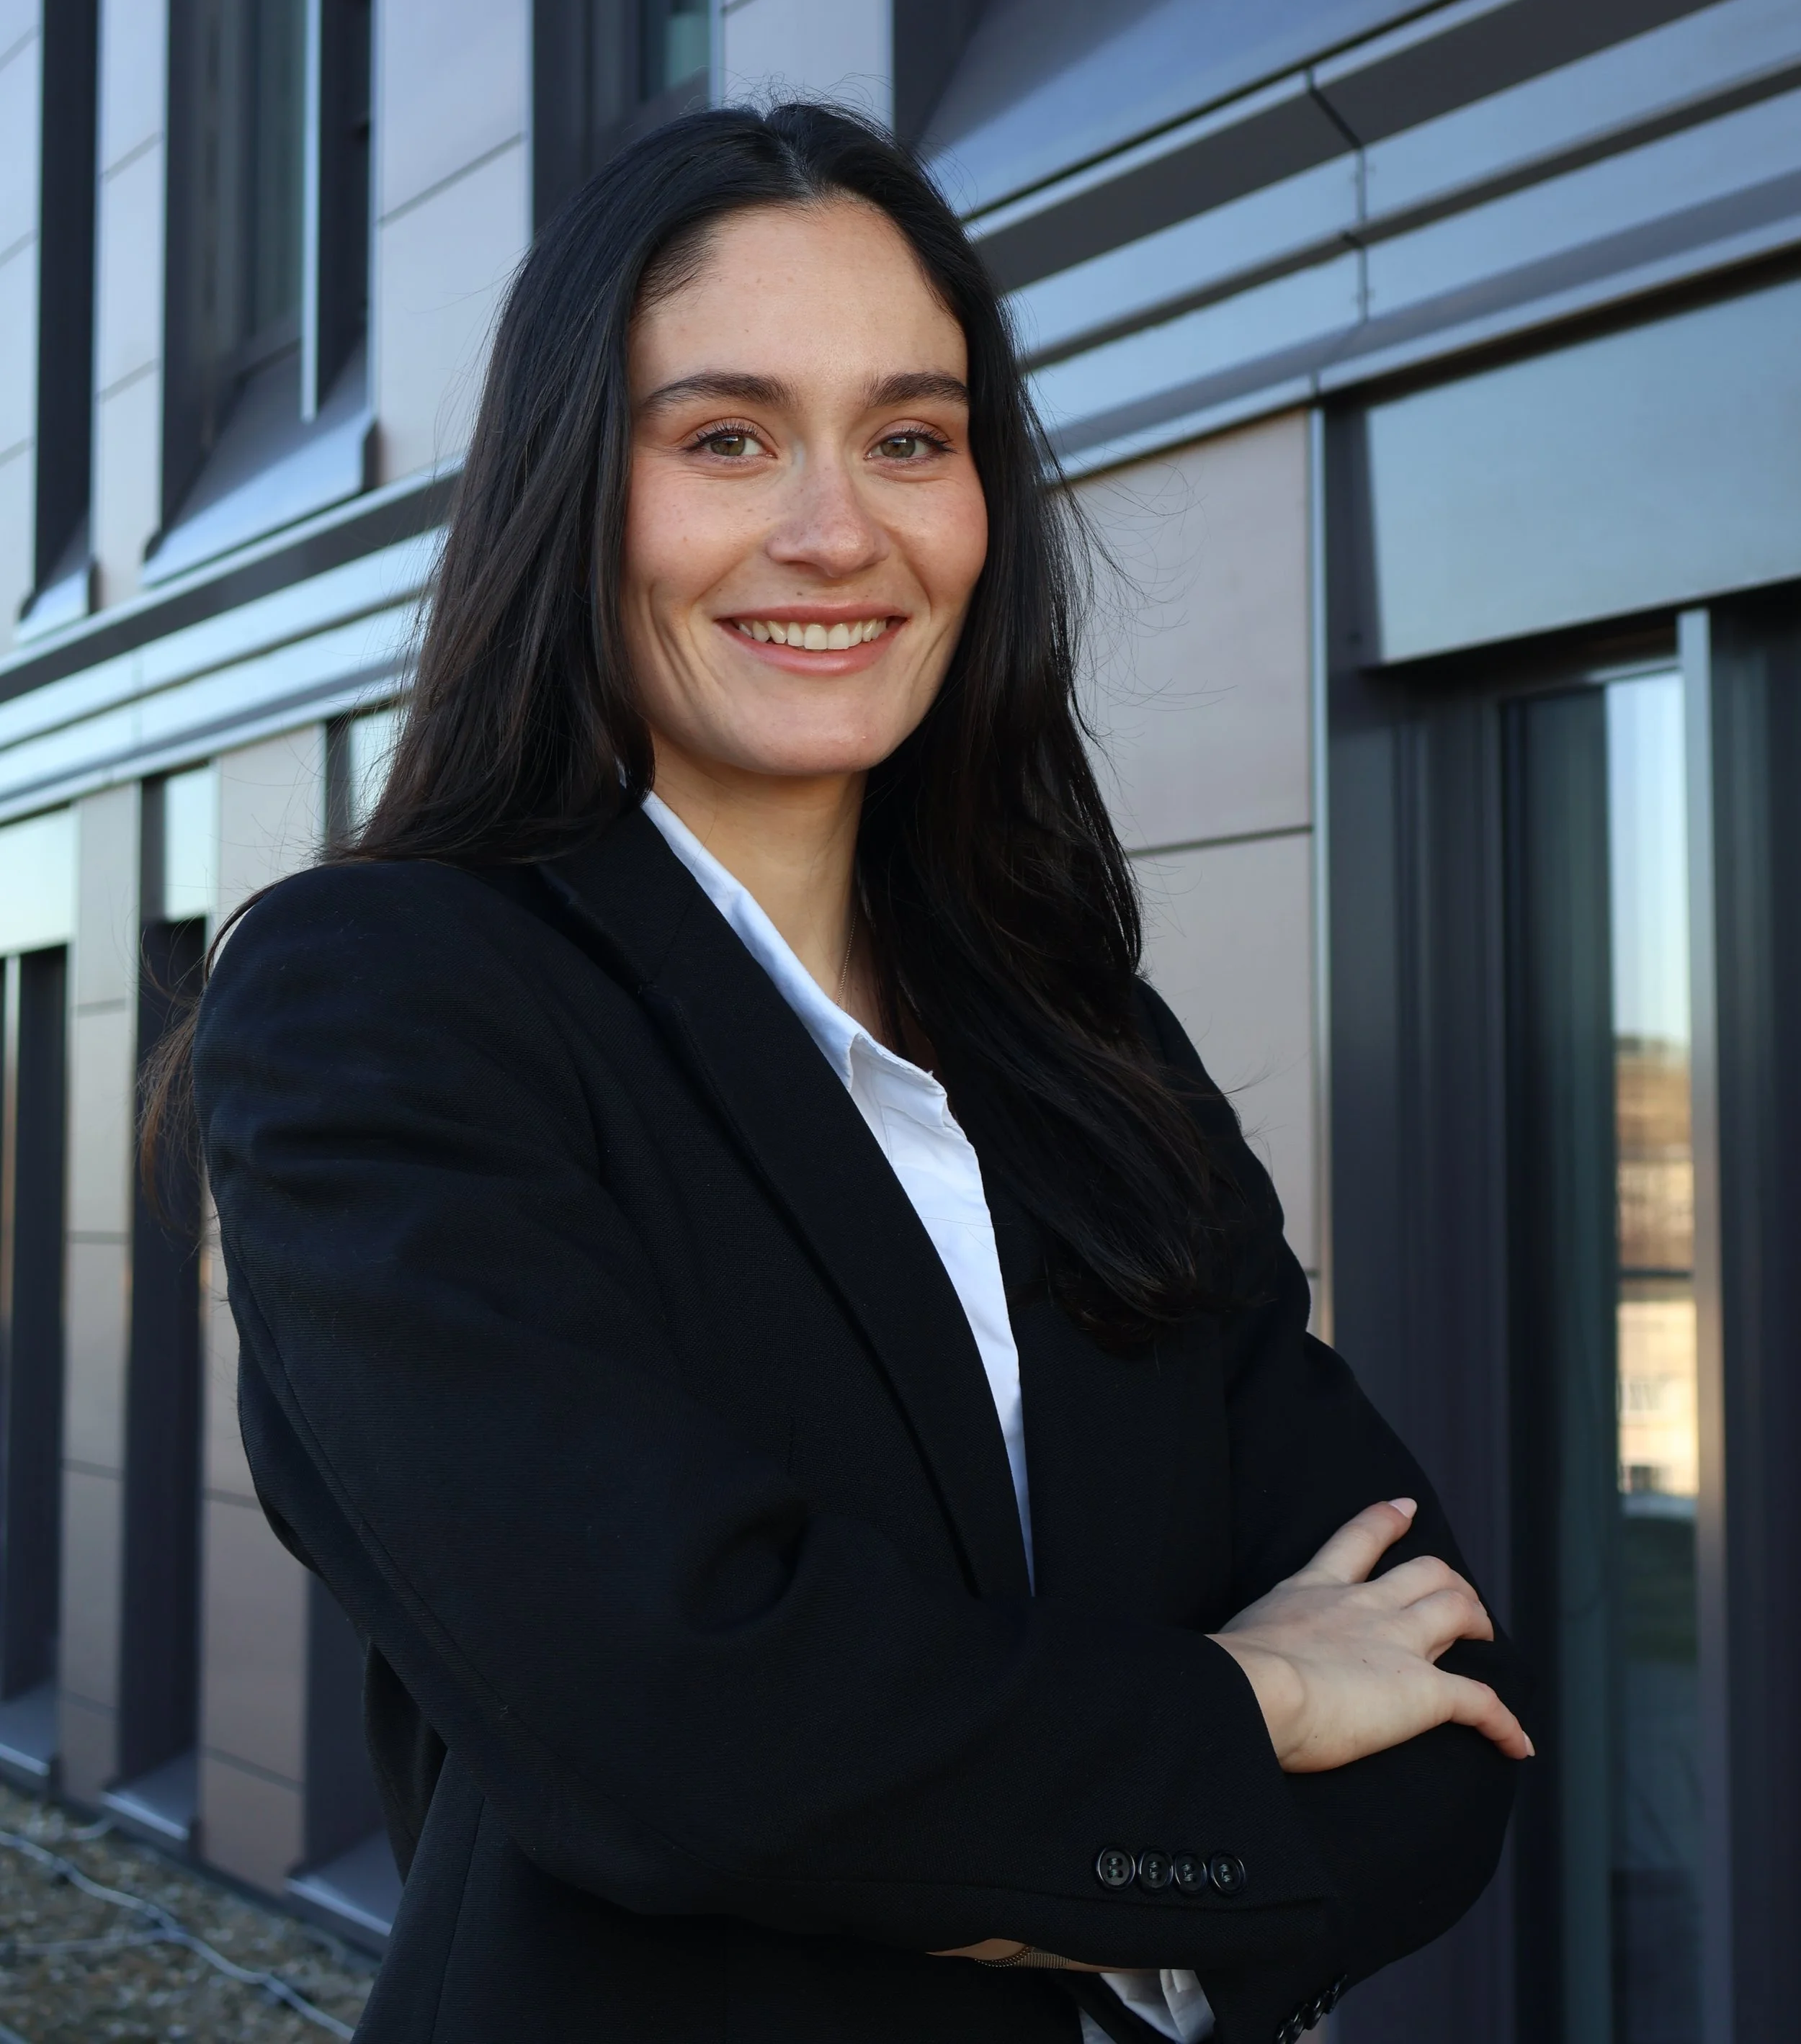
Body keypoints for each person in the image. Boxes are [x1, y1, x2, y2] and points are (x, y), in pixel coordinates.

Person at [183, 104, 1529, 2044]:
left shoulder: (1079, 1033)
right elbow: (682, 1732)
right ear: (573, 490)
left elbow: (1444, 1707)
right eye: (725, 438)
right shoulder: (385, 1006)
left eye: (910, 437)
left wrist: (973, 1828)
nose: (838, 531)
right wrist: (1252, 1706)